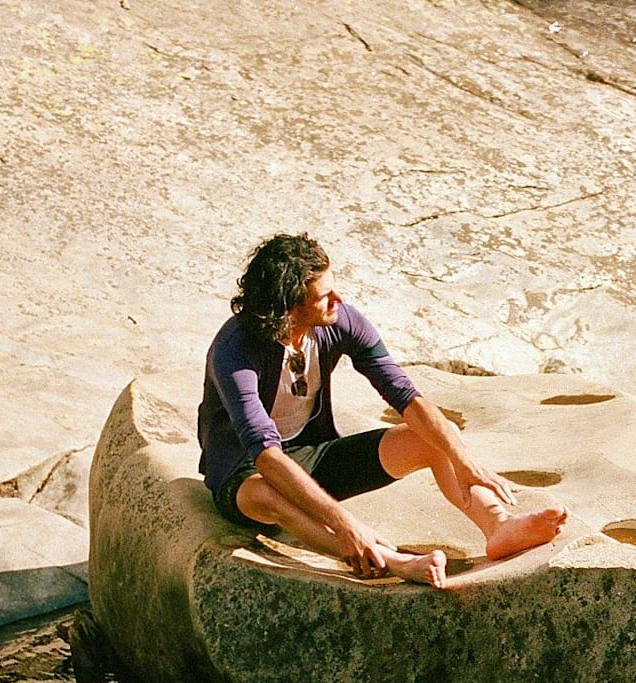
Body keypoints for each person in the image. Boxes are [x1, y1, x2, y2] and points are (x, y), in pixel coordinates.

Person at [196, 233, 566, 588]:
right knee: (267, 496)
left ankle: (498, 525)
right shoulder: (235, 351)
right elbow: (265, 455)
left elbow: (405, 396)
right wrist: (345, 524)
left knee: (432, 437)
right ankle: (393, 561)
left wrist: (463, 458)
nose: (337, 299)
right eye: (324, 296)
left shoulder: (340, 321)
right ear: (290, 307)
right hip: (245, 477)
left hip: (312, 457)